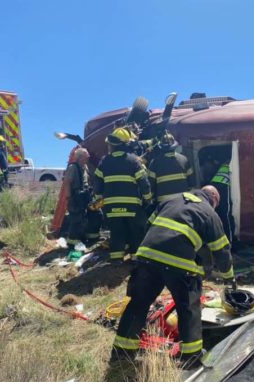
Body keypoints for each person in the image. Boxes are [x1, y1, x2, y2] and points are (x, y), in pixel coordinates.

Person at [111, 186, 234, 369]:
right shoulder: (210, 213)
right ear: (214, 198)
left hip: (147, 256)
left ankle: (122, 352)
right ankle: (190, 356)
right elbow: (221, 251)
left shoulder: (171, 199)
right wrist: (229, 277)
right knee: (188, 308)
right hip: (179, 263)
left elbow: (148, 225)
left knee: (138, 304)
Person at [94, 127, 152, 262]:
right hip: (132, 207)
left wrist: (100, 201)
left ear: (112, 145)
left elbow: (97, 184)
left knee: (116, 233)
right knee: (136, 232)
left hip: (111, 207)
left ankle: (116, 260)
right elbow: (144, 183)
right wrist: (148, 200)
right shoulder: (134, 161)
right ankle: (135, 260)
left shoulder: (104, 161)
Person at [63, 148, 101, 248]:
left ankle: (90, 237)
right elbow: (67, 182)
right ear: (80, 157)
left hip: (85, 196)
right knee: (76, 219)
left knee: (94, 214)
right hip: (75, 197)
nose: (88, 157)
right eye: (86, 156)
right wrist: (69, 197)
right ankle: (72, 243)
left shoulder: (85, 167)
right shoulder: (73, 167)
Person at [148, 132, 193, 204]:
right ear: (175, 146)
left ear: (161, 147)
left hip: (164, 203)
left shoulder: (154, 162)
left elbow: (150, 186)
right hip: (182, 202)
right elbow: (192, 182)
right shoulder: (184, 159)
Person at [210, 159, 236, 243]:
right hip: (224, 184)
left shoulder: (226, 163)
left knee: (219, 214)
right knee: (227, 215)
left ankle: (221, 239)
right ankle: (230, 243)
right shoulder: (235, 162)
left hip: (214, 184)